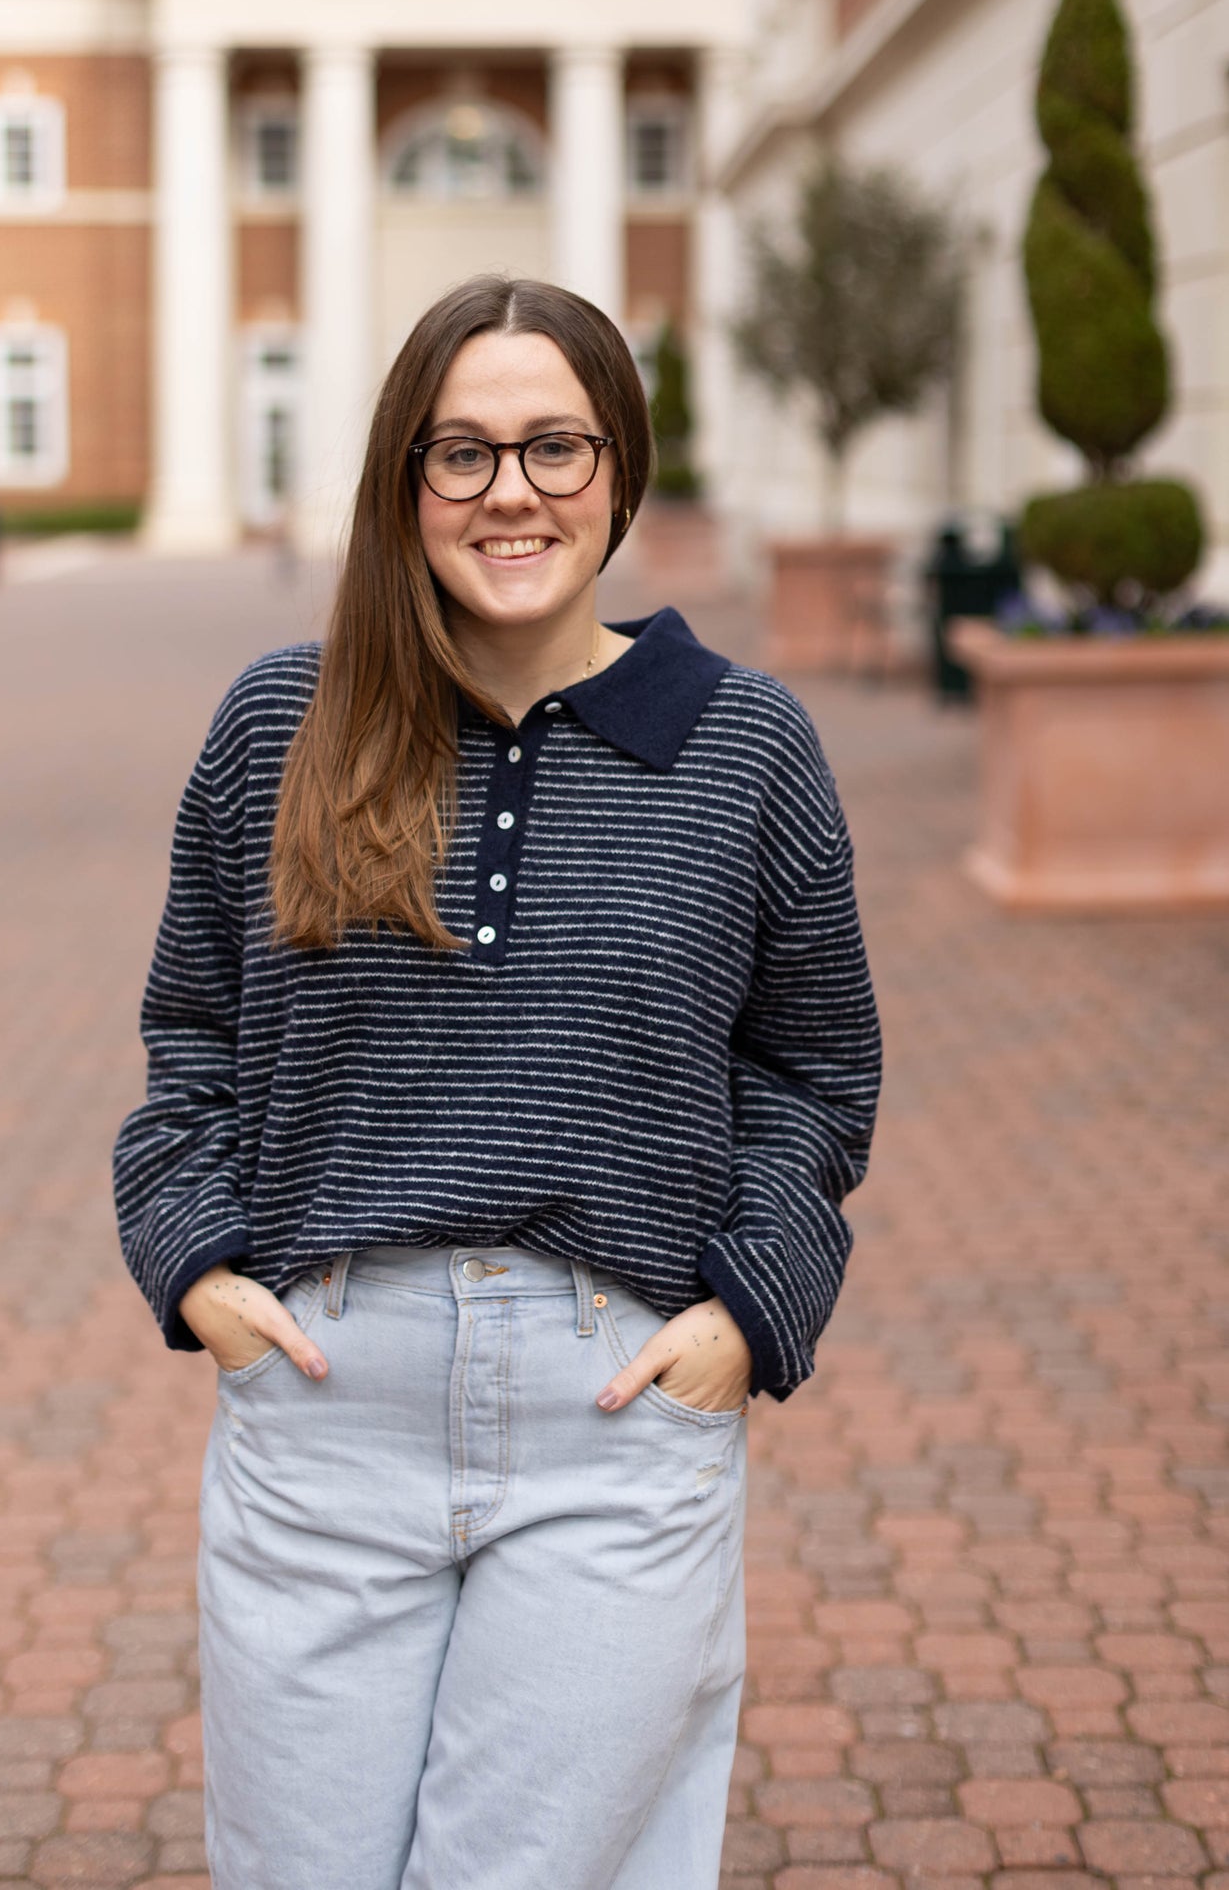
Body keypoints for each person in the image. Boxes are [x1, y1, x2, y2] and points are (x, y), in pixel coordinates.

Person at [112, 275, 882, 1890]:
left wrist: (747, 1315)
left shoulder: (747, 748)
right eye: (460, 452)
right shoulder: (285, 723)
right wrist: (195, 1271)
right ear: (405, 484)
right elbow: (190, 1033)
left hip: (614, 1416)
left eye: (552, 445)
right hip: (325, 1408)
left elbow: (813, 1074)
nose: (509, 489)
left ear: (619, 472)